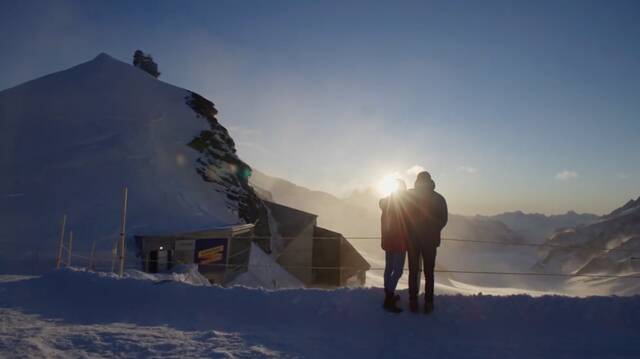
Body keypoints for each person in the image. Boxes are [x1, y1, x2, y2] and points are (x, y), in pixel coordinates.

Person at [406, 171, 448, 314]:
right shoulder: (438, 198)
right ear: (430, 181)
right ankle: (428, 303)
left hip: (413, 241)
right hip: (430, 241)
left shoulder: (409, 196)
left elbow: (403, 216)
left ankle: (413, 301)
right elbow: (443, 219)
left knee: (413, 271)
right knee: (429, 273)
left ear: (417, 181)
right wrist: (433, 229)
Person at [379, 179, 409, 313]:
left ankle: (388, 293)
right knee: (397, 271)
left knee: (389, 268)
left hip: (388, 241)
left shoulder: (386, 204)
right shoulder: (403, 205)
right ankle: (389, 298)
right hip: (399, 242)